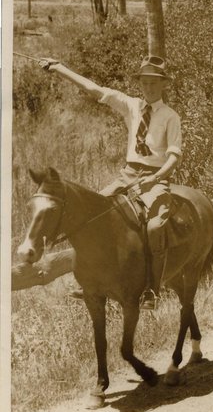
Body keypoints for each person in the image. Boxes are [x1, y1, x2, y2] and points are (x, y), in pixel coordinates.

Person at [42, 54, 182, 310]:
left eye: (154, 82)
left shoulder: (170, 117)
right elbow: (94, 89)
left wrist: (156, 178)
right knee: (88, 215)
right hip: (127, 175)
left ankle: (152, 289)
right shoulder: (130, 105)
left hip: (156, 178)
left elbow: (173, 157)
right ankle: (91, 280)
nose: (148, 88)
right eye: (144, 82)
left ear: (164, 85)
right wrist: (60, 68)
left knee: (153, 228)